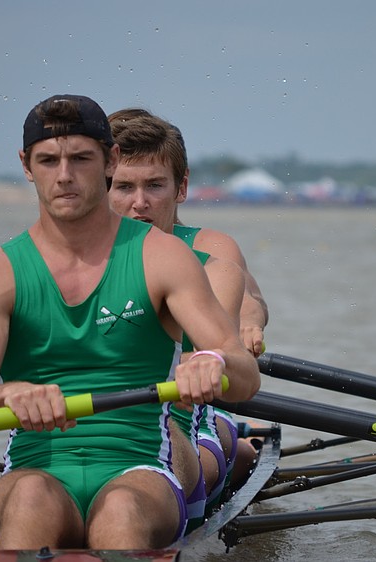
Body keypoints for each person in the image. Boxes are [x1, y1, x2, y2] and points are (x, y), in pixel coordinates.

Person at [0, 94, 260, 551]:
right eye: (49, 160)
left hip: (138, 467)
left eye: (81, 158)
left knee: (119, 513)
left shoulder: (161, 256)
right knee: (31, 498)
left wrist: (214, 362)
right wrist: (5, 393)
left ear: (109, 159)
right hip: (36, 469)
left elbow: (245, 376)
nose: (65, 175)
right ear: (27, 166)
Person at [107, 109, 268, 513]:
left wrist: (249, 322)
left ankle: (242, 452)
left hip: (190, 417)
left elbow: (244, 297)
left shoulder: (211, 250)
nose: (138, 204)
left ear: (181, 188)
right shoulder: (67, 259)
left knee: (222, 449)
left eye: (155, 186)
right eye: (123, 186)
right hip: (99, 421)